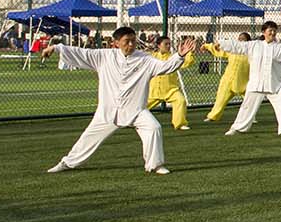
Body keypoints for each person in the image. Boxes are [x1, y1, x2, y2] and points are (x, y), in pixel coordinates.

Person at [44, 28, 196, 174]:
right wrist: (56, 48)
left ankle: (155, 165)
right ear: (116, 43)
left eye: (133, 41)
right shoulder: (104, 56)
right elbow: (81, 53)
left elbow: (165, 67)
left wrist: (179, 56)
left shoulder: (145, 59)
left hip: (136, 110)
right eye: (126, 41)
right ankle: (67, 163)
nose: (130, 45)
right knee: (87, 139)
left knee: (154, 127)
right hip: (107, 111)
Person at [220, 21, 281, 137]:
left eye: (274, 31)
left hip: (274, 85)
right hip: (256, 84)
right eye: (270, 30)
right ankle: (237, 128)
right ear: (264, 32)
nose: (273, 33)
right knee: (247, 107)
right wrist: (221, 44)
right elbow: (238, 46)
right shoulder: (254, 45)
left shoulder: (280, 48)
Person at [145, 35, 195, 130]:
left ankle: (179, 124)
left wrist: (190, 52)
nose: (168, 46)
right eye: (165, 44)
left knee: (180, 100)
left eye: (169, 44)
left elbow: (188, 62)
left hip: (170, 90)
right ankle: (129, 121)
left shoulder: (174, 57)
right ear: (159, 45)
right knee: (139, 107)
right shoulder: (152, 56)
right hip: (153, 91)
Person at [202, 33, 251, 122]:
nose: (240, 40)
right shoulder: (232, 50)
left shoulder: (251, 53)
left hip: (243, 82)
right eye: (239, 38)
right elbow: (219, 49)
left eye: (243, 39)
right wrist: (207, 46)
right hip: (228, 80)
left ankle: (250, 117)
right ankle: (213, 116)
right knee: (220, 99)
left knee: (250, 100)